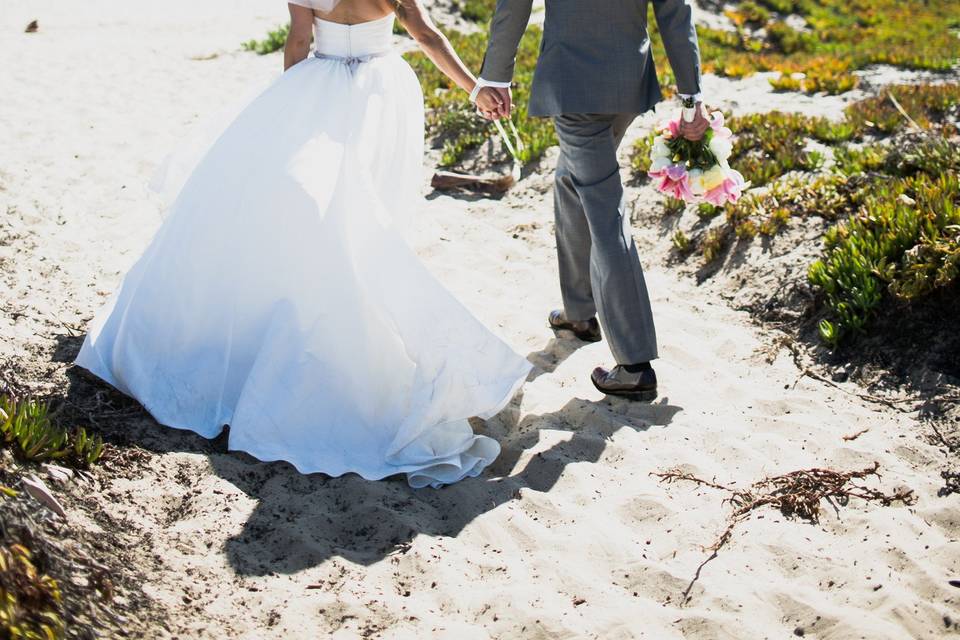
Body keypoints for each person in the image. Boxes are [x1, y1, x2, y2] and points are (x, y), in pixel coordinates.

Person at [75, 0, 532, 489]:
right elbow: (427, 36)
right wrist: (476, 87)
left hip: (320, 88)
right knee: (368, 203)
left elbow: (298, 44)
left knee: (327, 200)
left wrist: (289, 108)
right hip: (382, 89)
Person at [474, 0, 709, 401]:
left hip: (573, 87)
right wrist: (691, 97)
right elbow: (675, 11)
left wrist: (495, 78)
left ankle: (634, 365)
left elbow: (513, 5)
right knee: (570, 182)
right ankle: (579, 312)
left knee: (604, 211)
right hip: (627, 85)